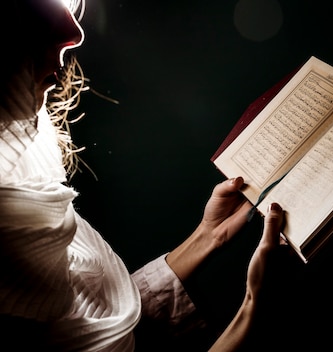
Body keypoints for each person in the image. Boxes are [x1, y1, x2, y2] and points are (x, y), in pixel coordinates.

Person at [0, 0, 286, 350]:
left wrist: (209, 237)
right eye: (36, 10)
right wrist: (254, 312)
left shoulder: (20, 171)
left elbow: (90, 325)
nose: (75, 33)